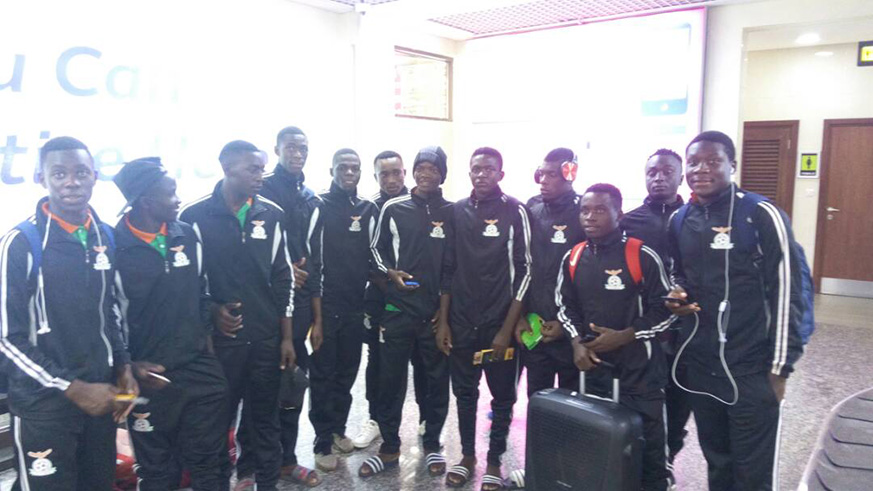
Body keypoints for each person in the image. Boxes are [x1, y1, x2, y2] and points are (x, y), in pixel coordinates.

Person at [666, 131, 803, 491]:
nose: (701, 169)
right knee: (718, 462)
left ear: (732, 166)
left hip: (751, 367)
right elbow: (677, 272)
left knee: (752, 471)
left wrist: (779, 368)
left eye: (713, 161)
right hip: (701, 365)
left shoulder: (760, 214)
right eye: (694, 162)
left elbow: (789, 291)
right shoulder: (681, 219)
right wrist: (677, 292)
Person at [0, 136, 137, 491]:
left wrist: (122, 365)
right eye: (59, 173)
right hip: (44, 404)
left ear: (94, 177)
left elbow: (110, 310)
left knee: (97, 483)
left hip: (99, 395)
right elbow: (6, 338)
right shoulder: (20, 243)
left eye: (80, 173)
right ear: (40, 178)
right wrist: (70, 387)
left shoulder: (103, 235)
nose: (71, 182)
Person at [179, 140, 296, 491]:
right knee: (217, 423)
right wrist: (211, 312)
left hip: (265, 340)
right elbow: (188, 284)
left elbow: (283, 277)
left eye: (261, 168)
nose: (261, 175)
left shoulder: (271, 213)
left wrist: (287, 338)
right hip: (219, 346)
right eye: (253, 169)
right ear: (227, 168)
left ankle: (266, 484)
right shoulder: (194, 216)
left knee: (265, 423)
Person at [112, 157, 228, 490]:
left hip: (197, 371)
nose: (178, 200)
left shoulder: (187, 235)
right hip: (148, 378)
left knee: (209, 464)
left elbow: (202, 291)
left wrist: (208, 333)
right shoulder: (114, 247)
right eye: (170, 193)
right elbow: (108, 316)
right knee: (158, 472)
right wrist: (128, 366)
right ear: (146, 201)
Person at [557, 183, 674, 491]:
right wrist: (575, 343)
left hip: (641, 374)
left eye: (599, 210)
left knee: (649, 452)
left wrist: (625, 336)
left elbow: (666, 311)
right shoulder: (573, 257)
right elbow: (564, 306)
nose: (590, 217)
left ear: (618, 214)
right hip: (595, 373)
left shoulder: (641, 255)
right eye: (584, 210)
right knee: (600, 447)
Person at [442, 147, 531, 491]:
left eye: (488, 169)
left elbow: (526, 272)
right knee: (464, 393)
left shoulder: (515, 210)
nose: (481, 175)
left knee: (503, 397)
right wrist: (446, 321)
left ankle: (494, 460)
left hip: (500, 326)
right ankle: (467, 456)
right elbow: (448, 269)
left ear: (500, 174)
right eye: (476, 169)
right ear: (469, 174)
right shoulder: (457, 211)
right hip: (463, 323)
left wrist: (507, 330)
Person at [361, 146, 453, 479]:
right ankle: (388, 447)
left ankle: (432, 445)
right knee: (390, 381)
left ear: (443, 173)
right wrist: (390, 273)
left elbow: (451, 267)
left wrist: (444, 317)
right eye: (421, 168)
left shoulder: (451, 211)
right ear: (412, 172)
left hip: (433, 316)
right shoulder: (393, 207)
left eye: (434, 169)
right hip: (397, 311)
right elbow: (374, 248)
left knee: (434, 381)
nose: (427, 174)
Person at [258, 125, 322, 487]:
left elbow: (314, 255)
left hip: (298, 311)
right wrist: (281, 273)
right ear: (278, 149)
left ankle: (287, 460)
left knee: (292, 385)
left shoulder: (310, 197)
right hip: (266, 308)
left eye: (303, 148)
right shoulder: (262, 190)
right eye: (291, 147)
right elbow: (250, 251)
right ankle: (252, 465)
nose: (297, 153)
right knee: (260, 389)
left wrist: (315, 314)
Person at [353, 150, 430, 449]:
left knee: (422, 359)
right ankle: (376, 418)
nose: (391, 179)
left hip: (419, 301)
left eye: (396, 172)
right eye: (384, 174)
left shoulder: (420, 205)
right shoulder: (369, 209)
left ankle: (427, 419)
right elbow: (365, 257)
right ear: (375, 177)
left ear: (405, 173)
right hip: (380, 299)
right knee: (379, 362)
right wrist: (388, 283)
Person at [308, 149, 378, 470]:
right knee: (323, 375)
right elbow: (314, 261)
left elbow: (374, 257)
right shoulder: (319, 206)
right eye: (343, 167)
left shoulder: (368, 208)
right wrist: (317, 317)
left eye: (355, 168)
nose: (349, 172)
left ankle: (338, 429)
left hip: (355, 309)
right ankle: (322, 441)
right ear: (332, 170)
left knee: (347, 374)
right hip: (326, 307)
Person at [621, 148, 691, 465]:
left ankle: (667, 461)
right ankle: (636, 463)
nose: (659, 178)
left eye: (666, 172)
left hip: (686, 330)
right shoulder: (628, 221)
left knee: (678, 402)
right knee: (640, 402)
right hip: (642, 329)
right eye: (652, 172)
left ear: (681, 176)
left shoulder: (695, 218)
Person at [516, 147, 585, 397]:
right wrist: (521, 314)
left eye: (551, 175)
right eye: (541, 174)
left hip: (570, 330)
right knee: (537, 397)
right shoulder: (531, 209)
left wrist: (567, 327)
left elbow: (588, 279)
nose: (543, 181)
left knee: (571, 404)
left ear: (569, 174)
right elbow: (522, 266)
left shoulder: (584, 212)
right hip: (535, 324)